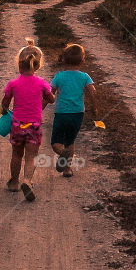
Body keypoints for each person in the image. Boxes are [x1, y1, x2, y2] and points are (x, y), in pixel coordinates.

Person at [0, 38, 54, 201]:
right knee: (31, 156)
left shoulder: (13, 83)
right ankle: (27, 181)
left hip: (17, 124)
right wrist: (44, 102)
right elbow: (51, 99)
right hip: (34, 125)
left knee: (16, 154)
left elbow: (5, 103)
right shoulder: (42, 83)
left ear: (19, 64)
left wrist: (4, 111)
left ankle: (14, 182)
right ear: (37, 65)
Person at [50, 43, 97, 178]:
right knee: (70, 141)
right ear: (82, 60)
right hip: (77, 114)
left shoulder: (59, 76)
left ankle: (62, 153)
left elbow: (50, 94)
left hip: (61, 113)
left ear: (63, 60)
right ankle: (67, 169)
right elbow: (93, 91)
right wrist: (94, 107)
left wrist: (41, 107)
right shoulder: (84, 76)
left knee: (55, 144)